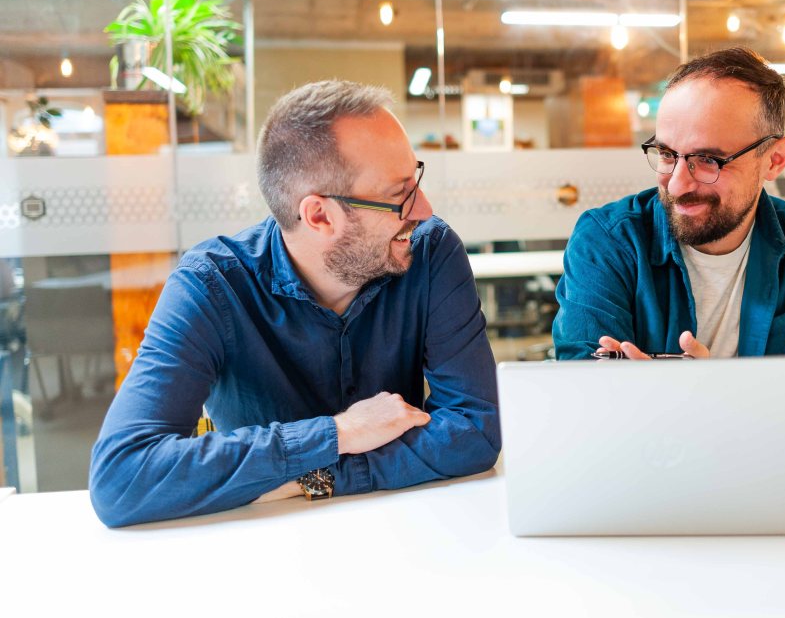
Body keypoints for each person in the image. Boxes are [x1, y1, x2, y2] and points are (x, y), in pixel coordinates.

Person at [90, 81, 500, 527]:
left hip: (408, 529)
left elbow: (475, 430)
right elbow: (122, 478)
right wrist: (339, 432)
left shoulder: (430, 251)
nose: (422, 207)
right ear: (319, 215)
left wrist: (311, 478)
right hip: (261, 548)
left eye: (415, 179)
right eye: (397, 194)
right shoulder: (212, 285)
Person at [552, 47, 785, 440]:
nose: (676, 184)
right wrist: (754, 402)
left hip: (758, 478)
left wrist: (718, 394)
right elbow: (583, 402)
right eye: (666, 153)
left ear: (774, 160)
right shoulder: (608, 240)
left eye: (708, 160)